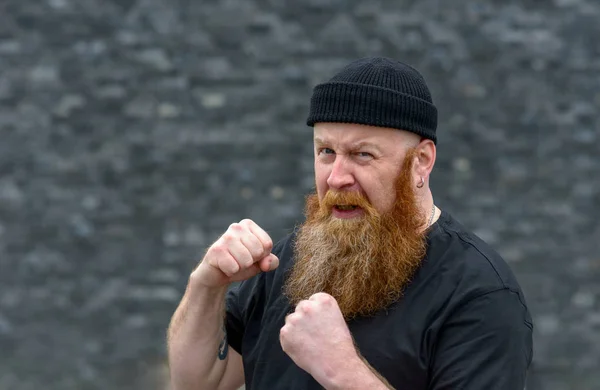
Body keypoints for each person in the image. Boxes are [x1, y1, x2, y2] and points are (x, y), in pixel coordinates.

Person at [166, 57, 534, 390]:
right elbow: (200, 383)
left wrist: (342, 371)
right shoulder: (286, 261)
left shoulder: (480, 295)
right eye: (326, 152)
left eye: (362, 154)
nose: (337, 177)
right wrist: (206, 285)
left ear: (421, 161)